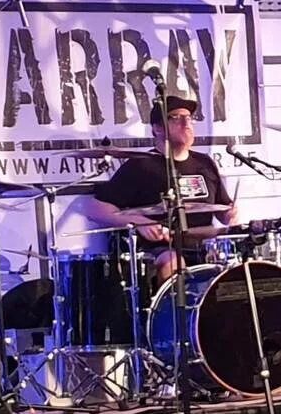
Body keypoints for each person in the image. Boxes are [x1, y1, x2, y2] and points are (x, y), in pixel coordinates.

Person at [88, 95, 238, 282]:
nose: (187, 123)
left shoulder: (205, 163)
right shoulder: (140, 166)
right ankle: (172, 302)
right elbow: (95, 209)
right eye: (176, 118)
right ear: (157, 128)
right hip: (162, 247)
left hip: (205, 244)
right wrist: (139, 222)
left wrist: (230, 214)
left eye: (189, 118)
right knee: (173, 262)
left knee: (241, 256)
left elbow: (223, 211)